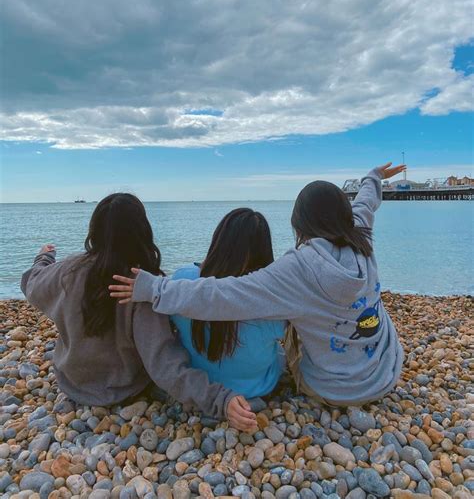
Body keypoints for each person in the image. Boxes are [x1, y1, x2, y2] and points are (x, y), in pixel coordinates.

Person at [110, 163, 406, 407]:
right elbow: (366, 203)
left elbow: (225, 294)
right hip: (386, 371)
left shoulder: (297, 270)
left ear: (299, 225)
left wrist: (154, 289)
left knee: (290, 316)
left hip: (337, 391)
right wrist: (374, 177)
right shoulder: (361, 238)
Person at [21, 193, 256, 429]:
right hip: (122, 389)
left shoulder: (68, 270)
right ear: (142, 231)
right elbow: (164, 366)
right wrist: (219, 400)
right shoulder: (139, 288)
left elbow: (32, 284)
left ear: (95, 230)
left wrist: (44, 257)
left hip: (72, 382)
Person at [171, 208, 286, 398]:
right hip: (257, 386)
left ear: (218, 241)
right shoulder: (273, 300)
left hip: (201, 384)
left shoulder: (182, 280)